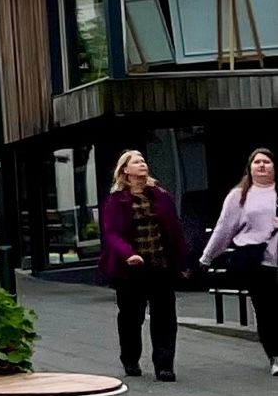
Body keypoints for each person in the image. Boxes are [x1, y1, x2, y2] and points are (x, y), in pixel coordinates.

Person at [99, 149, 187, 381]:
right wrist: (128, 254)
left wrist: (182, 261)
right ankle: (130, 359)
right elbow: (111, 234)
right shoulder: (115, 201)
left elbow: (175, 231)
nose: (142, 165)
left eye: (143, 161)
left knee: (165, 317)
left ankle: (164, 365)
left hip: (161, 265)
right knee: (130, 317)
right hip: (131, 270)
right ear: (125, 170)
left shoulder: (161, 195)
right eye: (136, 162)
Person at [200, 148, 278, 375]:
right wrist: (207, 256)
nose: (262, 166)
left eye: (266, 162)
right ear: (250, 167)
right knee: (266, 311)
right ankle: (275, 355)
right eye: (257, 162)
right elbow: (224, 229)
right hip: (259, 263)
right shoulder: (239, 196)